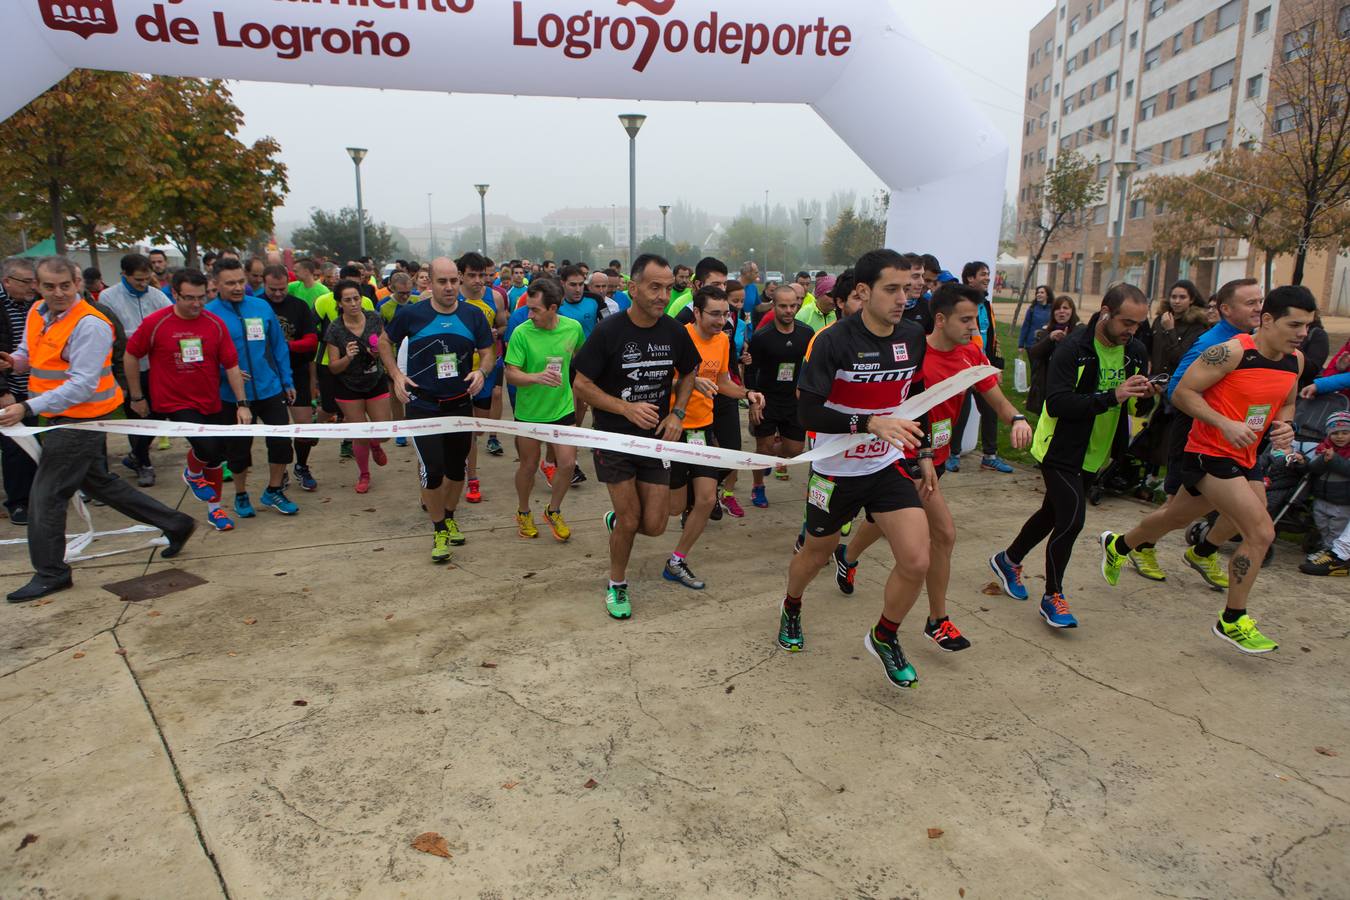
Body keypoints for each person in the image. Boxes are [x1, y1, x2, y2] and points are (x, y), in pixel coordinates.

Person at [1100, 286, 1312, 653]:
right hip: (1208, 452)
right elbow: (1181, 392)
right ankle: (1232, 619)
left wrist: (1285, 425)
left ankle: (1120, 545)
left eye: (1308, 325)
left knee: (1175, 516)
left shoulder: (1295, 360)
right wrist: (1224, 423)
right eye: (1295, 324)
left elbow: (1287, 402)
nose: (1302, 333)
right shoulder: (1230, 352)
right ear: (1267, 319)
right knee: (1261, 531)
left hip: (1245, 455)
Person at [836, 283, 1034, 651]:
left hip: (937, 458)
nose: (973, 328)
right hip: (906, 455)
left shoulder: (971, 354)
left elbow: (994, 396)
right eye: (965, 320)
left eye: (975, 319)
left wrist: (1017, 418)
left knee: (880, 520)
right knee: (943, 534)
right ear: (940, 320)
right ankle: (937, 620)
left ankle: (846, 556)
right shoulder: (913, 354)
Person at [776, 249, 933, 689]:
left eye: (908, 288)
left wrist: (922, 455)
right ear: (863, 293)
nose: (904, 297)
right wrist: (869, 422)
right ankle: (792, 605)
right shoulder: (832, 341)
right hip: (834, 470)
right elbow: (808, 414)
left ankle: (884, 636)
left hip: (885, 467)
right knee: (815, 554)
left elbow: (917, 395)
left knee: (917, 559)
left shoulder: (913, 336)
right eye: (892, 289)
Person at [0, 257, 196, 603]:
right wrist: (14, 361)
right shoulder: (38, 313)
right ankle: (175, 523)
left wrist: (27, 407)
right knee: (99, 483)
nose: (58, 293)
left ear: (78, 283)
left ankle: (51, 572)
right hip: (58, 416)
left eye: (65, 286)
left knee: (45, 496)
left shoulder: (91, 323)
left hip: (81, 420)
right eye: (49, 286)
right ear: (38, 286)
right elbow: (31, 353)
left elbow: (82, 385)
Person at [989, 283, 1152, 629]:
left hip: (1095, 451)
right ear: (1106, 312)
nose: (1132, 331)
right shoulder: (1073, 348)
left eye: (1138, 324)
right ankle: (1053, 597)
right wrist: (1114, 395)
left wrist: (1147, 394)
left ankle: (1009, 559)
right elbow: (1057, 403)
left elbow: (1135, 402)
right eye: (1126, 322)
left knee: (1052, 512)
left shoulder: (1134, 349)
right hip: (1058, 447)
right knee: (1072, 519)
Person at [1103, 279, 1265, 585]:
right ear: (1226, 309)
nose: (1259, 308)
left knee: (1249, 508)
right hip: (1197, 435)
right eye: (1251, 303)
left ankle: (1203, 551)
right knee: (1176, 509)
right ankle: (1138, 546)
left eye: (1260, 301)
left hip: (1235, 442)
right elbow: (1177, 388)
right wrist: (1220, 419)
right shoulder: (1212, 344)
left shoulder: (1251, 341)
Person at [572, 254, 698, 620]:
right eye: (653, 287)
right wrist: (624, 408)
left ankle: (618, 522)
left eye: (668, 288)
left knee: (656, 525)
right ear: (633, 288)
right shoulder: (609, 331)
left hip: (655, 439)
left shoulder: (674, 330)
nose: (662, 295)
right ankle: (617, 585)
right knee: (631, 521)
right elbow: (581, 384)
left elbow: (689, 372)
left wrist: (677, 413)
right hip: (614, 439)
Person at [379, 257, 495, 562]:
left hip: (459, 404)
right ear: (429, 282)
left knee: (458, 470)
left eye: (453, 281)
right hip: (423, 405)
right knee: (433, 469)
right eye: (442, 281)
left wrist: (482, 373)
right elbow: (383, 342)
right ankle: (438, 528)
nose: (449, 287)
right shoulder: (412, 314)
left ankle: (450, 515)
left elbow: (488, 352)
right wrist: (396, 375)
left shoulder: (473, 316)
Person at [124, 269, 252, 531]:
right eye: (189, 298)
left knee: (217, 458)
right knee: (208, 449)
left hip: (209, 398)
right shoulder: (156, 323)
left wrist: (242, 404)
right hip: (174, 401)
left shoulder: (214, 323)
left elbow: (231, 365)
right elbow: (130, 355)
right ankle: (192, 473)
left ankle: (215, 510)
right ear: (174, 294)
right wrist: (136, 395)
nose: (196, 304)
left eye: (201, 298)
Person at [663, 286, 765, 589]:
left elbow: (723, 382)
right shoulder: (678, 338)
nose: (722, 321)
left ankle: (677, 560)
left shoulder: (722, 341)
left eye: (726, 314)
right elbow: (662, 384)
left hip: (702, 429)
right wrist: (692, 385)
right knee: (673, 508)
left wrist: (748, 393)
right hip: (673, 430)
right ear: (696, 312)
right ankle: (626, 517)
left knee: (706, 500)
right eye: (715, 314)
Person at [206, 258, 300, 518]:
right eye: (230, 283)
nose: (237, 287)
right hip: (232, 396)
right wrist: (226, 374)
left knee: (281, 443)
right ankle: (240, 493)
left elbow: (278, 347)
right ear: (216, 283)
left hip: (269, 388)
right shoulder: (209, 314)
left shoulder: (261, 307)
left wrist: (286, 380)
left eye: (240, 281)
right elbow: (205, 356)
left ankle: (273, 490)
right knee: (238, 450)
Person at [504, 277, 584, 541]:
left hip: (562, 409)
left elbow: (582, 357)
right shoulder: (522, 333)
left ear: (553, 308)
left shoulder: (573, 328)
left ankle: (554, 510)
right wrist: (536, 377)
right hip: (529, 414)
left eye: (535, 309)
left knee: (568, 464)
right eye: (529, 308)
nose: (530, 314)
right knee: (527, 466)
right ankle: (524, 511)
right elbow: (511, 374)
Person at [98, 253, 172, 487]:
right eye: (138, 280)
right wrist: (142, 336)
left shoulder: (158, 296)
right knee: (136, 414)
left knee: (159, 412)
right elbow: (112, 333)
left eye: (146, 278)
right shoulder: (108, 297)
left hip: (156, 366)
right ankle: (144, 463)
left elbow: (170, 323)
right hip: (125, 367)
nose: (143, 284)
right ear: (124, 276)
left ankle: (136, 455)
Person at [746, 283, 812, 509]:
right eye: (783, 306)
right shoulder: (762, 337)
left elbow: (811, 366)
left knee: (794, 449)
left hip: (794, 400)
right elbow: (751, 370)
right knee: (762, 447)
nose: (789, 311)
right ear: (773, 306)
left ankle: (766, 459)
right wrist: (753, 399)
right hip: (767, 399)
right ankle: (758, 487)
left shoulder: (806, 333)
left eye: (793, 305)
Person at [325, 279, 392, 494]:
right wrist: (348, 357)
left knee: (384, 433)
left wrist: (377, 352)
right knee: (359, 435)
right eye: (348, 300)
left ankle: (376, 443)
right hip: (348, 386)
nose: (354, 303)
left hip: (375, 380)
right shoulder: (335, 329)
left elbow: (385, 346)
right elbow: (333, 368)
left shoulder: (375, 318)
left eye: (357, 298)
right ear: (339, 303)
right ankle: (364, 474)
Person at [261, 264, 321, 492]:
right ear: (264, 285)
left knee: (304, 426)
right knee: (277, 430)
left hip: (297, 371)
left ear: (289, 284)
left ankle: (302, 466)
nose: (277, 294)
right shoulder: (257, 305)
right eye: (272, 289)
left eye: (282, 289)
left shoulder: (299, 306)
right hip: (267, 375)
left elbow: (311, 341)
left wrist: (285, 346)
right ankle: (280, 471)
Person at [949, 260, 1012, 474]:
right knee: (961, 410)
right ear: (970, 278)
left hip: (983, 367)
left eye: (988, 274)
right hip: (963, 367)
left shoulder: (986, 304)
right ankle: (953, 454)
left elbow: (993, 337)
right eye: (983, 274)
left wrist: (997, 366)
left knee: (991, 409)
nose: (987, 278)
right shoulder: (960, 303)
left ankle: (990, 456)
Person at [458, 252, 509, 501]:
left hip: (486, 369)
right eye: (472, 275)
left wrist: (495, 333)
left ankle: (468, 468)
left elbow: (503, 325)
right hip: (456, 373)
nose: (478, 281)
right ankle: (472, 478)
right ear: (461, 276)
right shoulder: (451, 297)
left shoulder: (495, 297)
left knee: (477, 429)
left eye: (482, 275)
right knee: (464, 429)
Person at [1, 257, 39, 525]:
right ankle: (17, 503)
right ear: (7, 281)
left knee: (34, 441)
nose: (32, 287)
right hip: (7, 389)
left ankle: (36, 496)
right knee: (14, 446)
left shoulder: (34, 307)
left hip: (33, 387)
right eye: (27, 282)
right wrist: (2, 390)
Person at [1299, 411, 1350, 576]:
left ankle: (1330, 551)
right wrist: (1324, 459)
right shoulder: (1322, 448)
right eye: (1335, 433)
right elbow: (1313, 468)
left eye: (1345, 433)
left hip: (1342, 500)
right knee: (1322, 524)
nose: (1340, 437)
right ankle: (1326, 546)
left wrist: (1334, 460)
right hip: (1321, 496)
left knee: (1336, 528)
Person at [1025, 295, 1080, 416]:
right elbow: (1034, 353)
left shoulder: (1080, 332)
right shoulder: (1046, 331)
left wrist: (1066, 342)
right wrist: (1050, 338)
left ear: (1072, 311)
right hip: (1047, 386)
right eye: (1057, 308)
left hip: (1069, 386)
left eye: (1065, 308)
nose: (1061, 311)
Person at [1018, 285, 1055, 352]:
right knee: (1035, 362)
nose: (1039, 294)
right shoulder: (1032, 309)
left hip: (1047, 343)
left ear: (1048, 295)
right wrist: (1021, 345)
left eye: (1042, 292)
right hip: (1032, 344)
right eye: (1037, 293)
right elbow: (1025, 326)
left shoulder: (1053, 310)